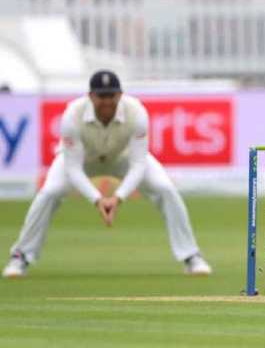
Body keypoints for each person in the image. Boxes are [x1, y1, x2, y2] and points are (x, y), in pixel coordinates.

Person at [2, 70, 212, 278]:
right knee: (49, 193)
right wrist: (97, 199)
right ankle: (21, 257)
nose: (106, 102)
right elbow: (73, 168)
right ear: (91, 96)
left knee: (165, 189)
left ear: (120, 95)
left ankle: (191, 256)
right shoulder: (72, 115)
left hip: (123, 158)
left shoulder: (136, 112)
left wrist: (118, 197)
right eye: (101, 96)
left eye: (111, 95)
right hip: (82, 160)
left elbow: (138, 164)